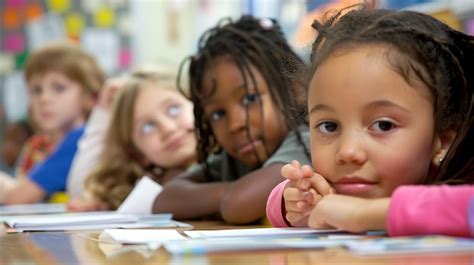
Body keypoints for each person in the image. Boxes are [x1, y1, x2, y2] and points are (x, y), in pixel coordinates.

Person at [266, 6, 474, 237]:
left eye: (383, 125)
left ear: (442, 140)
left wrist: (363, 214)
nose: (347, 151)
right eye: (329, 126)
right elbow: (282, 205)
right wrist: (297, 200)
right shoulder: (342, 184)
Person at [152, 15, 312, 224]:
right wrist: (228, 193)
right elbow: (164, 200)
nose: (236, 124)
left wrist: (222, 198)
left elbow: (238, 205)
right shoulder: (233, 160)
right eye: (218, 114)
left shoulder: (306, 142)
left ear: (293, 87)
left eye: (250, 98)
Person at [67, 69, 197, 211]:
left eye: (173, 109)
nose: (168, 128)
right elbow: (79, 189)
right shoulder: (148, 192)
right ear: (138, 154)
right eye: (147, 127)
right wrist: (102, 113)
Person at [2, 42, 106, 204]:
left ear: (90, 97)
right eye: (36, 90)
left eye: (59, 88)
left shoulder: (82, 140)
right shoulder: (38, 145)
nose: (44, 98)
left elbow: (17, 197)